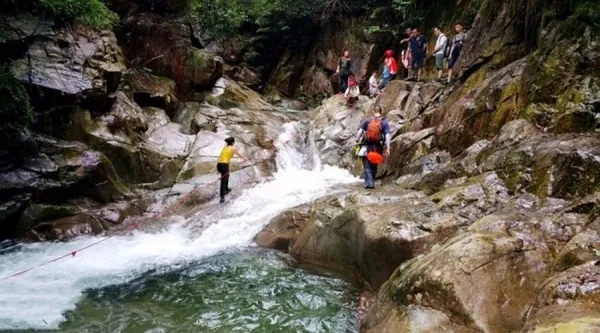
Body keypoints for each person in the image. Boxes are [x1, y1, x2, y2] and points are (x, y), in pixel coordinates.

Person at [355, 106, 391, 189]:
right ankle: (372, 182)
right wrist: (388, 147)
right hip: (377, 147)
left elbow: (360, 132)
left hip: (367, 146)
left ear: (373, 112)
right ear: (381, 112)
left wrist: (357, 141)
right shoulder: (384, 122)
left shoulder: (368, 121)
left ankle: (369, 184)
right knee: (374, 165)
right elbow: (387, 135)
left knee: (367, 165)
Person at [217, 137, 249, 203]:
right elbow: (240, 156)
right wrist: (245, 159)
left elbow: (226, 151)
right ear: (233, 143)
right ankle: (222, 197)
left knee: (227, 176)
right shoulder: (233, 148)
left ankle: (226, 189)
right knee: (223, 180)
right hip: (224, 165)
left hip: (219, 165)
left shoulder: (225, 147)